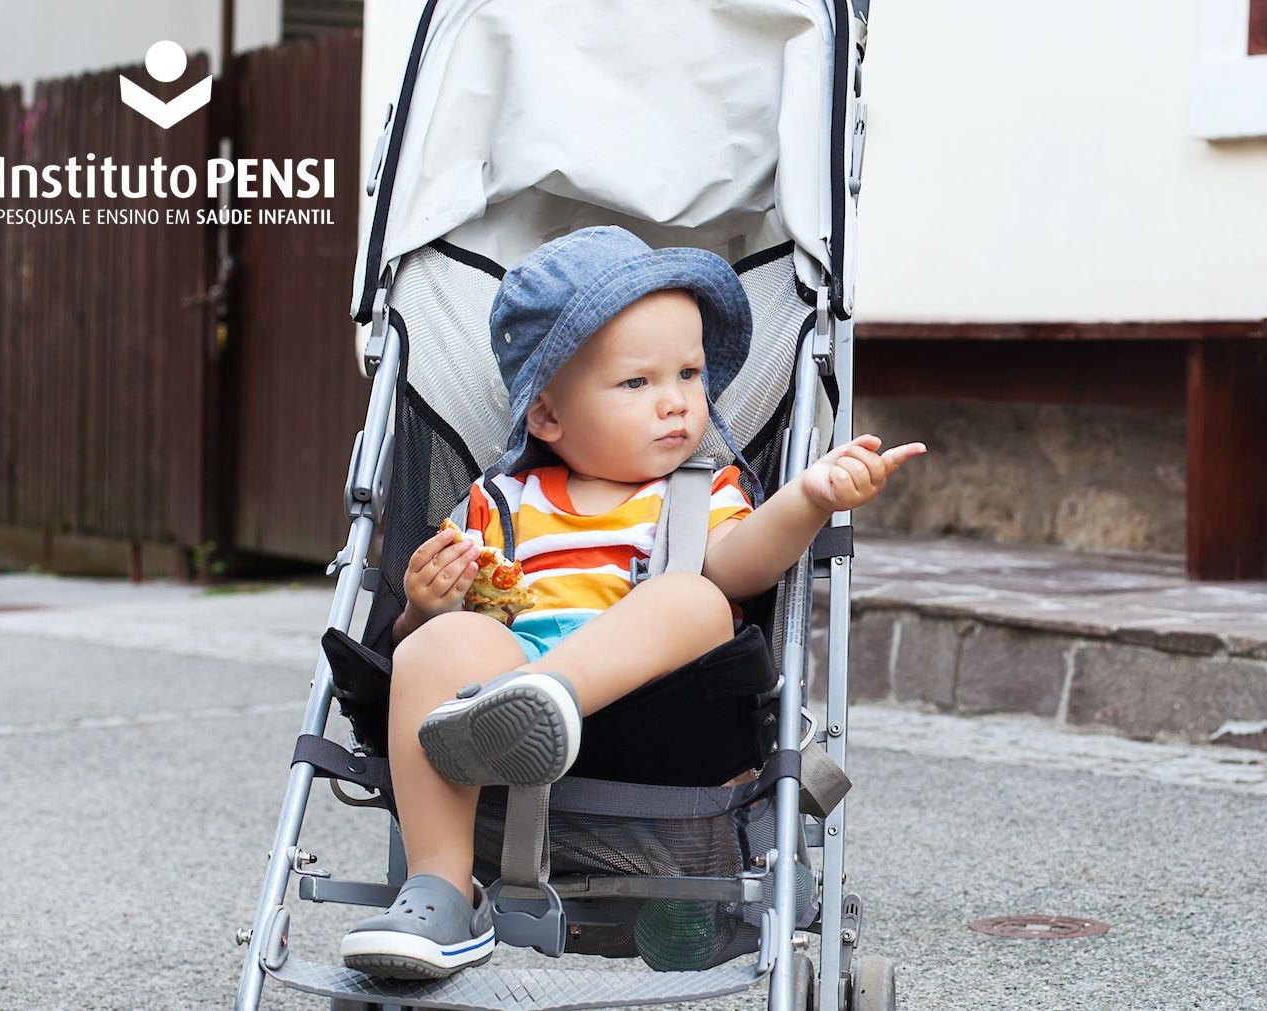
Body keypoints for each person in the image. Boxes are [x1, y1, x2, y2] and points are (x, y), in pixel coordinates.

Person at [339, 226, 923, 980]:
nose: (677, 401)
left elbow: (742, 566)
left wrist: (807, 498)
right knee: (429, 647)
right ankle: (441, 890)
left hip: (657, 719)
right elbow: (428, 634)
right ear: (546, 416)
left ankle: (545, 698)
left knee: (697, 597)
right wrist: (425, 606)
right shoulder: (499, 500)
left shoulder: (697, 491)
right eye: (637, 383)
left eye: (688, 372)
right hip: (489, 728)